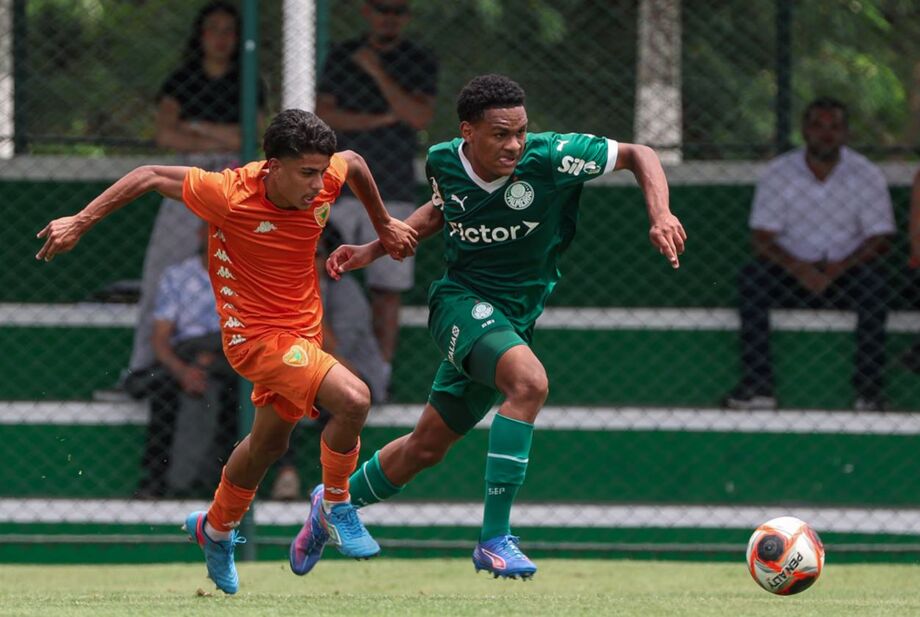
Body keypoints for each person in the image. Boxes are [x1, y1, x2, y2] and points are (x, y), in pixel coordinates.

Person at [312, 74, 686, 579]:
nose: (514, 145)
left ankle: (332, 504)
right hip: (460, 303)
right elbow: (444, 209)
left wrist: (659, 213)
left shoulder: (554, 157)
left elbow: (640, 152)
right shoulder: (443, 160)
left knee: (425, 447)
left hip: (513, 319)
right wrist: (374, 248)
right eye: (500, 134)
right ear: (468, 132)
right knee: (529, 383)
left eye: (520, 133)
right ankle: (494, 540)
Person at [35, 109, 418, 594]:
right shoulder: (228, 193)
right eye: (305, 173)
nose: (318, 184)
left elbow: (357, 161)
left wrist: (383, 225)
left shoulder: (322, 180)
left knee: (267, 446)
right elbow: (148, 174)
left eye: (321, 171)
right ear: (272, 165)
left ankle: (215, 529)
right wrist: (80, 220)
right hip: (253, 340)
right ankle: (335, 504)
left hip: (305, 336)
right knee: (355, 397)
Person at [722, 97, 894, 412]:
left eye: (834, 127)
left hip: (846, 275)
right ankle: (758, 388)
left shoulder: (867, 174)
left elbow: (881, 238)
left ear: (846, 133)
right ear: (804, 131)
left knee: (876, 284)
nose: (826, 134)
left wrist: (839, 268)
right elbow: (761, 238)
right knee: (751, 278)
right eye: (818, 126)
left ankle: (869, 393)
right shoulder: (779, 172)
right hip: (791, 274)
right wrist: (800, 269)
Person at [128, 0, 265, 375]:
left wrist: (197, 130)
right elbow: (164, 134)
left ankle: (250, 367)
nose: (220, 39)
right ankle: (144, 366)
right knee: (162, 267)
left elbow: (251, 137)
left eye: (228, 31)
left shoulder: (248, 79)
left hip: (232, 178)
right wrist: (221, 135)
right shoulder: (181, 78)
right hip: (184, 176)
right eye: (212, 30)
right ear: (200, 35)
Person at [316, 0, 438, 391]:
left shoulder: (419, 59)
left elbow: (418, 117)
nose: (389, 16)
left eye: (398, 10)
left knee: (388, 286)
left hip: (394, 189)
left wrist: (376, 72)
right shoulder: (340, 55)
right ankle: (324, 364)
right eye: (382, 8)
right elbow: (325, 115)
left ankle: (378, 371)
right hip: (338, 187)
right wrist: (387, 116)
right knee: (325, 273)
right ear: (367, 12)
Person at [131, 223, 238, 500]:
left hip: (229, 355)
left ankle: (227, 484)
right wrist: (183, 370)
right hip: (185, 355)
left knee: (239, 395)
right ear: (200, 234)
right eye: (212, 230)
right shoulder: (177, 277)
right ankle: (156, 478)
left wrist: (210, 359)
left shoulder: (246, 276)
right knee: (163, 391)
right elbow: (160, 339)